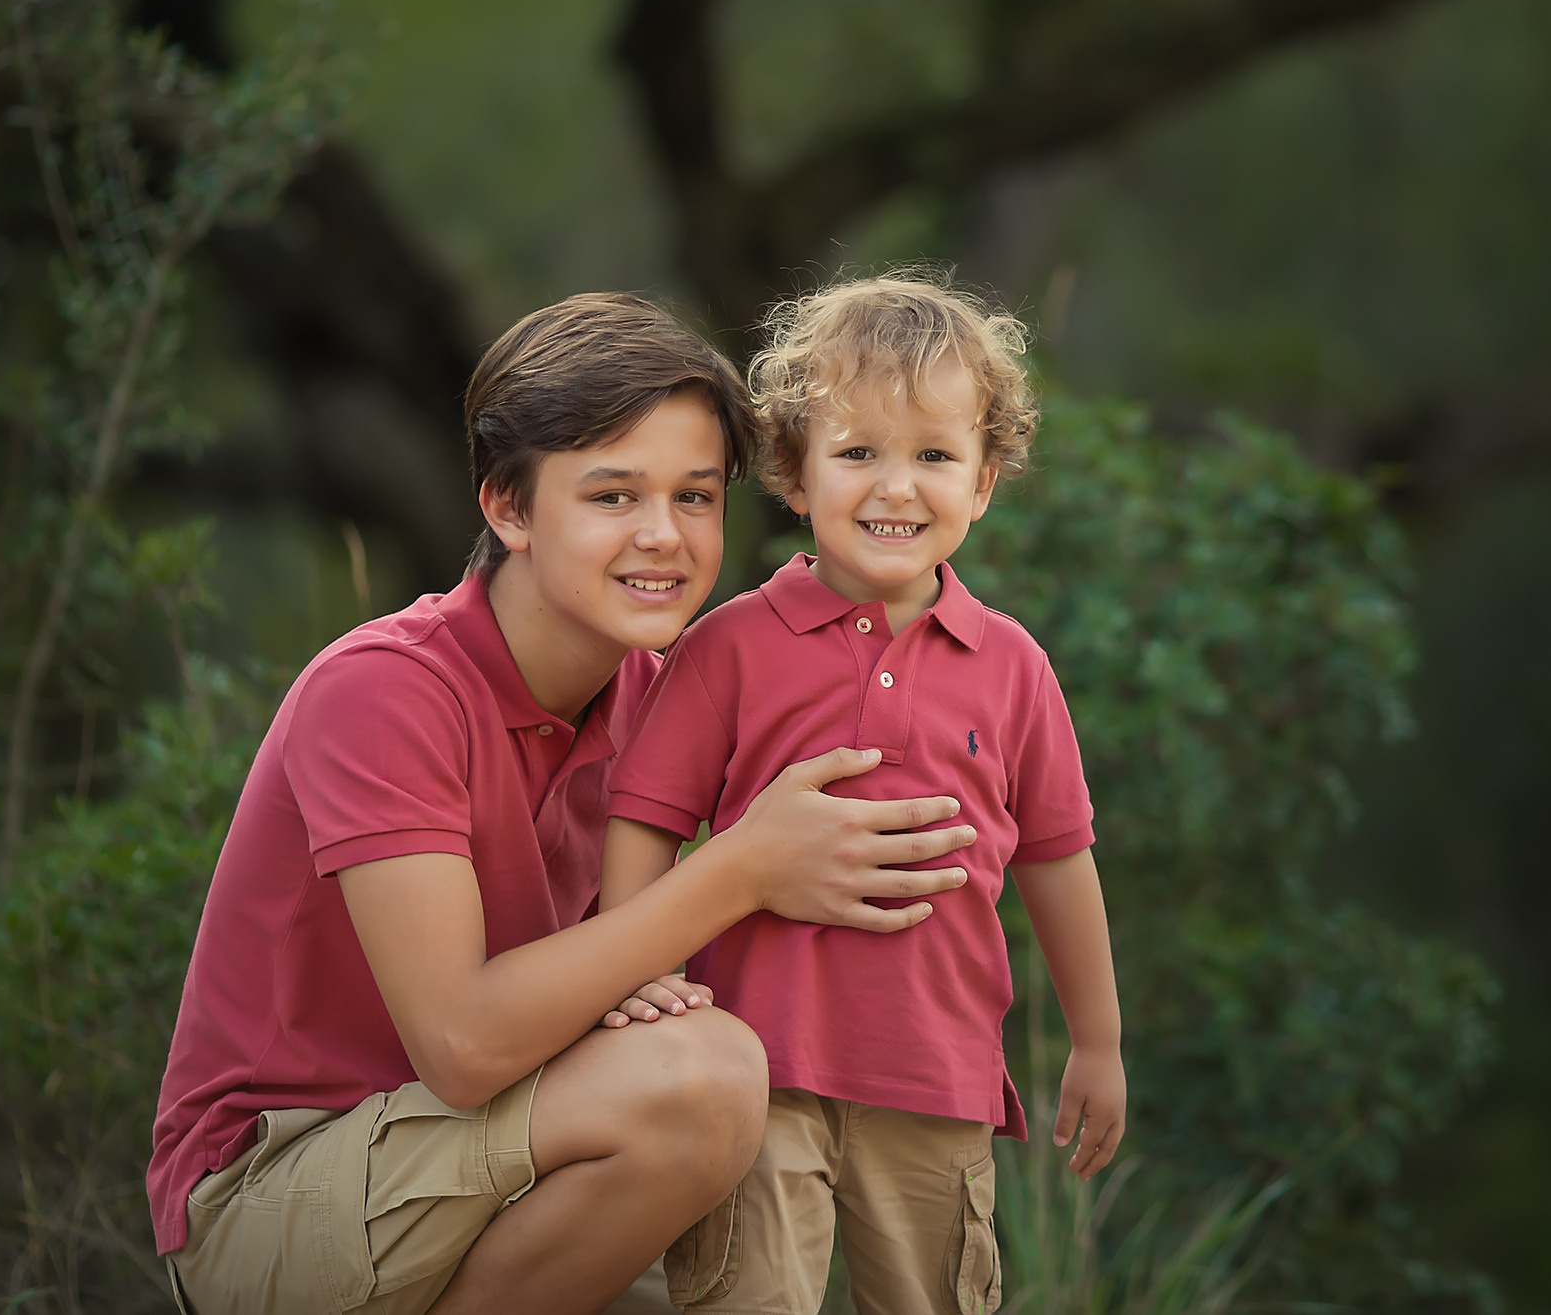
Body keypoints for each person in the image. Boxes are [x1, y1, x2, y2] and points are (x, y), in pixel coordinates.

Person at [148, 292, 983, 1315]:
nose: (663, 537)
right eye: (612, 497)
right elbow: (462, 1049)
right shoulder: (383, 690)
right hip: (276, 1199)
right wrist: (740, 868)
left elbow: (643, 988)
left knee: (735, 1192)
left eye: (694, 497)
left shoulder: (662, 703)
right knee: (704, 1081)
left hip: (509, 1153)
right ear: (507, 508)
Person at [601, 273, 1126, 1315]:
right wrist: (635, 964)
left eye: (934, 455)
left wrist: (1098, 1041)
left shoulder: (1012, 667)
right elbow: (645, 818)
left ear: (983, 482)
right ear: (794, 475)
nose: (896, 487)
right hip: (752, 1074)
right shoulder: (729, 648)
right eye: (857, 454)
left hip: (935, 1079)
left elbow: (1059, 859)